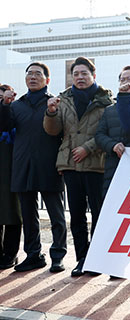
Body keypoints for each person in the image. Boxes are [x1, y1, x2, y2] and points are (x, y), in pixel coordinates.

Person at [43, 56, 113, 277]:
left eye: (84, 73)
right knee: (77, 214)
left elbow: (109, 130)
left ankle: (98, 257)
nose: (80, 78)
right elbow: (53, 131)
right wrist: (51, 113)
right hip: (71, 164)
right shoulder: (63, 99)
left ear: (93, 75)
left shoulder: (106, 101)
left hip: (96, 163)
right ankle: (82, 258)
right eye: (76, 74)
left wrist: (88, 148)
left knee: (99, 212)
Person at [0, 63, 67, 273]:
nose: (33, 77)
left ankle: (58, 255)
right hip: (22, 166)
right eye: (29, 74)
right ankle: (33, 254)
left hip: (49, 165)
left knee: (56, 215)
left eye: (38, 74)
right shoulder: (16, 105)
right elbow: (4, 127)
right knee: (28, 216)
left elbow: (63, 132)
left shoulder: (56, 103)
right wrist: (3, 104)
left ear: (47, 80)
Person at [95, 66, 130, 198]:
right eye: (122, 79)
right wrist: (112, 145)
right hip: (113, 167)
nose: (126, 82)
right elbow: (99, 135)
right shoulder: (110, 110)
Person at [0, 84, 22, 269]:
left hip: (12, 171)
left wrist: (6, 105)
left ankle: (10, 253)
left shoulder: (13, 114)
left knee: (13, 213)